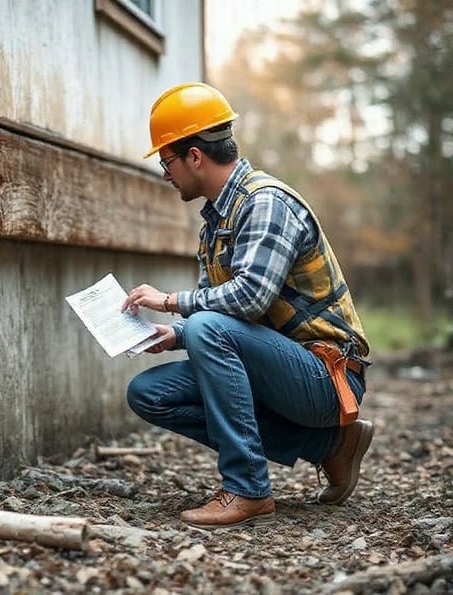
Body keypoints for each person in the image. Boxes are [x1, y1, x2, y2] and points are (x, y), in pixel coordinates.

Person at [122, 82, 373, 530]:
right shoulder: (215, 221)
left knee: (205, 329)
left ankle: (247, 489)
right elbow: (226, 314)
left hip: (327, 376)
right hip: (278, 367)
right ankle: (329, 447)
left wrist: (170, 303)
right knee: (148, 393)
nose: (165, 173)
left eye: (167, 160)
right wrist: (174, 333)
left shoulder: (265, 202)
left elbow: (249, 297)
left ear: (195, 156)